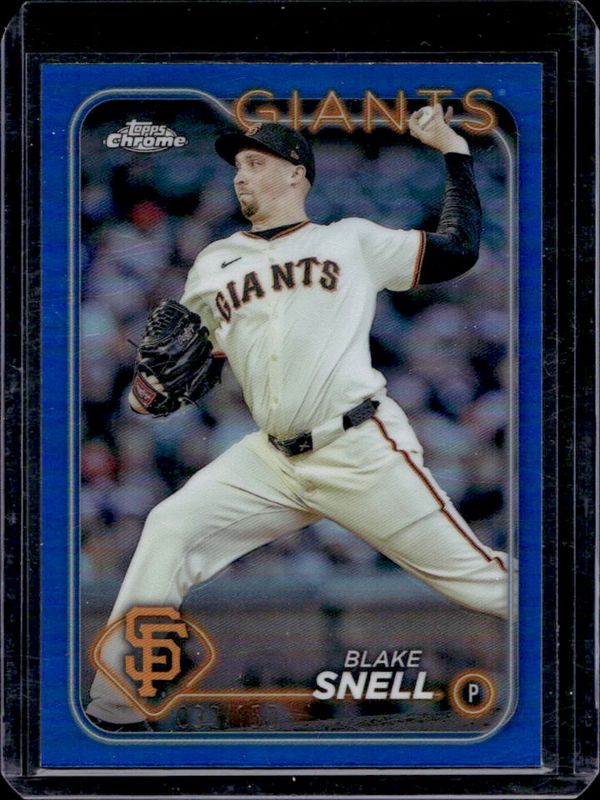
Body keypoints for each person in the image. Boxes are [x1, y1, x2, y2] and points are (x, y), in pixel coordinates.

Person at [86, 104, 510, 731]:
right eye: (237, 166)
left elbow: (458, 250)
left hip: (357, 444)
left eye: (255, 163)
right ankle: (117, 708)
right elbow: (185, 361)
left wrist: (454, 153)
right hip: (271, 457)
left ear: (295, 173)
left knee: (480, 582)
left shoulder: (350, 239)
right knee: (169, 526)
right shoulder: (214, 262)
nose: (241, 175)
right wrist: (147, 392)